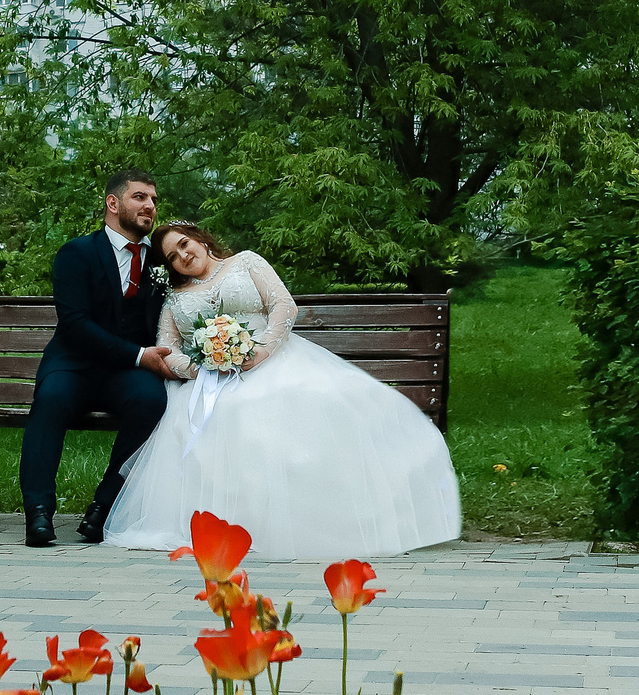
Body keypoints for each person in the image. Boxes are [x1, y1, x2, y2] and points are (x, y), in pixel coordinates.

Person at [104, 222, 463, 561]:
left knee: (291, 403)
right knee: (218, 416)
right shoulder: (175, 298)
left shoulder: (245, 262)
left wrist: (259, 351)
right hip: (210, 382)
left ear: (200, 239)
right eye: (172, 257)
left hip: (273, 358)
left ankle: (312, 521)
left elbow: (283, 305)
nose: (182, 256)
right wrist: (205, 366)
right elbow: (168, 350)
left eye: (184, 244)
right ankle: (232, 526)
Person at [17, 170, 176, 547]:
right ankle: (38, 513)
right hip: (75, 364)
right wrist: (139, 355)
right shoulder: (78, 253)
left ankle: (104, 509)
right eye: (139, 197)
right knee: (51, 400)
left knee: (151, 401)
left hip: (126, 374)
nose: (149, 206)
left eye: (153, 199)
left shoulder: (159, 259)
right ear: (113, 203)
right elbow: (74, 324)